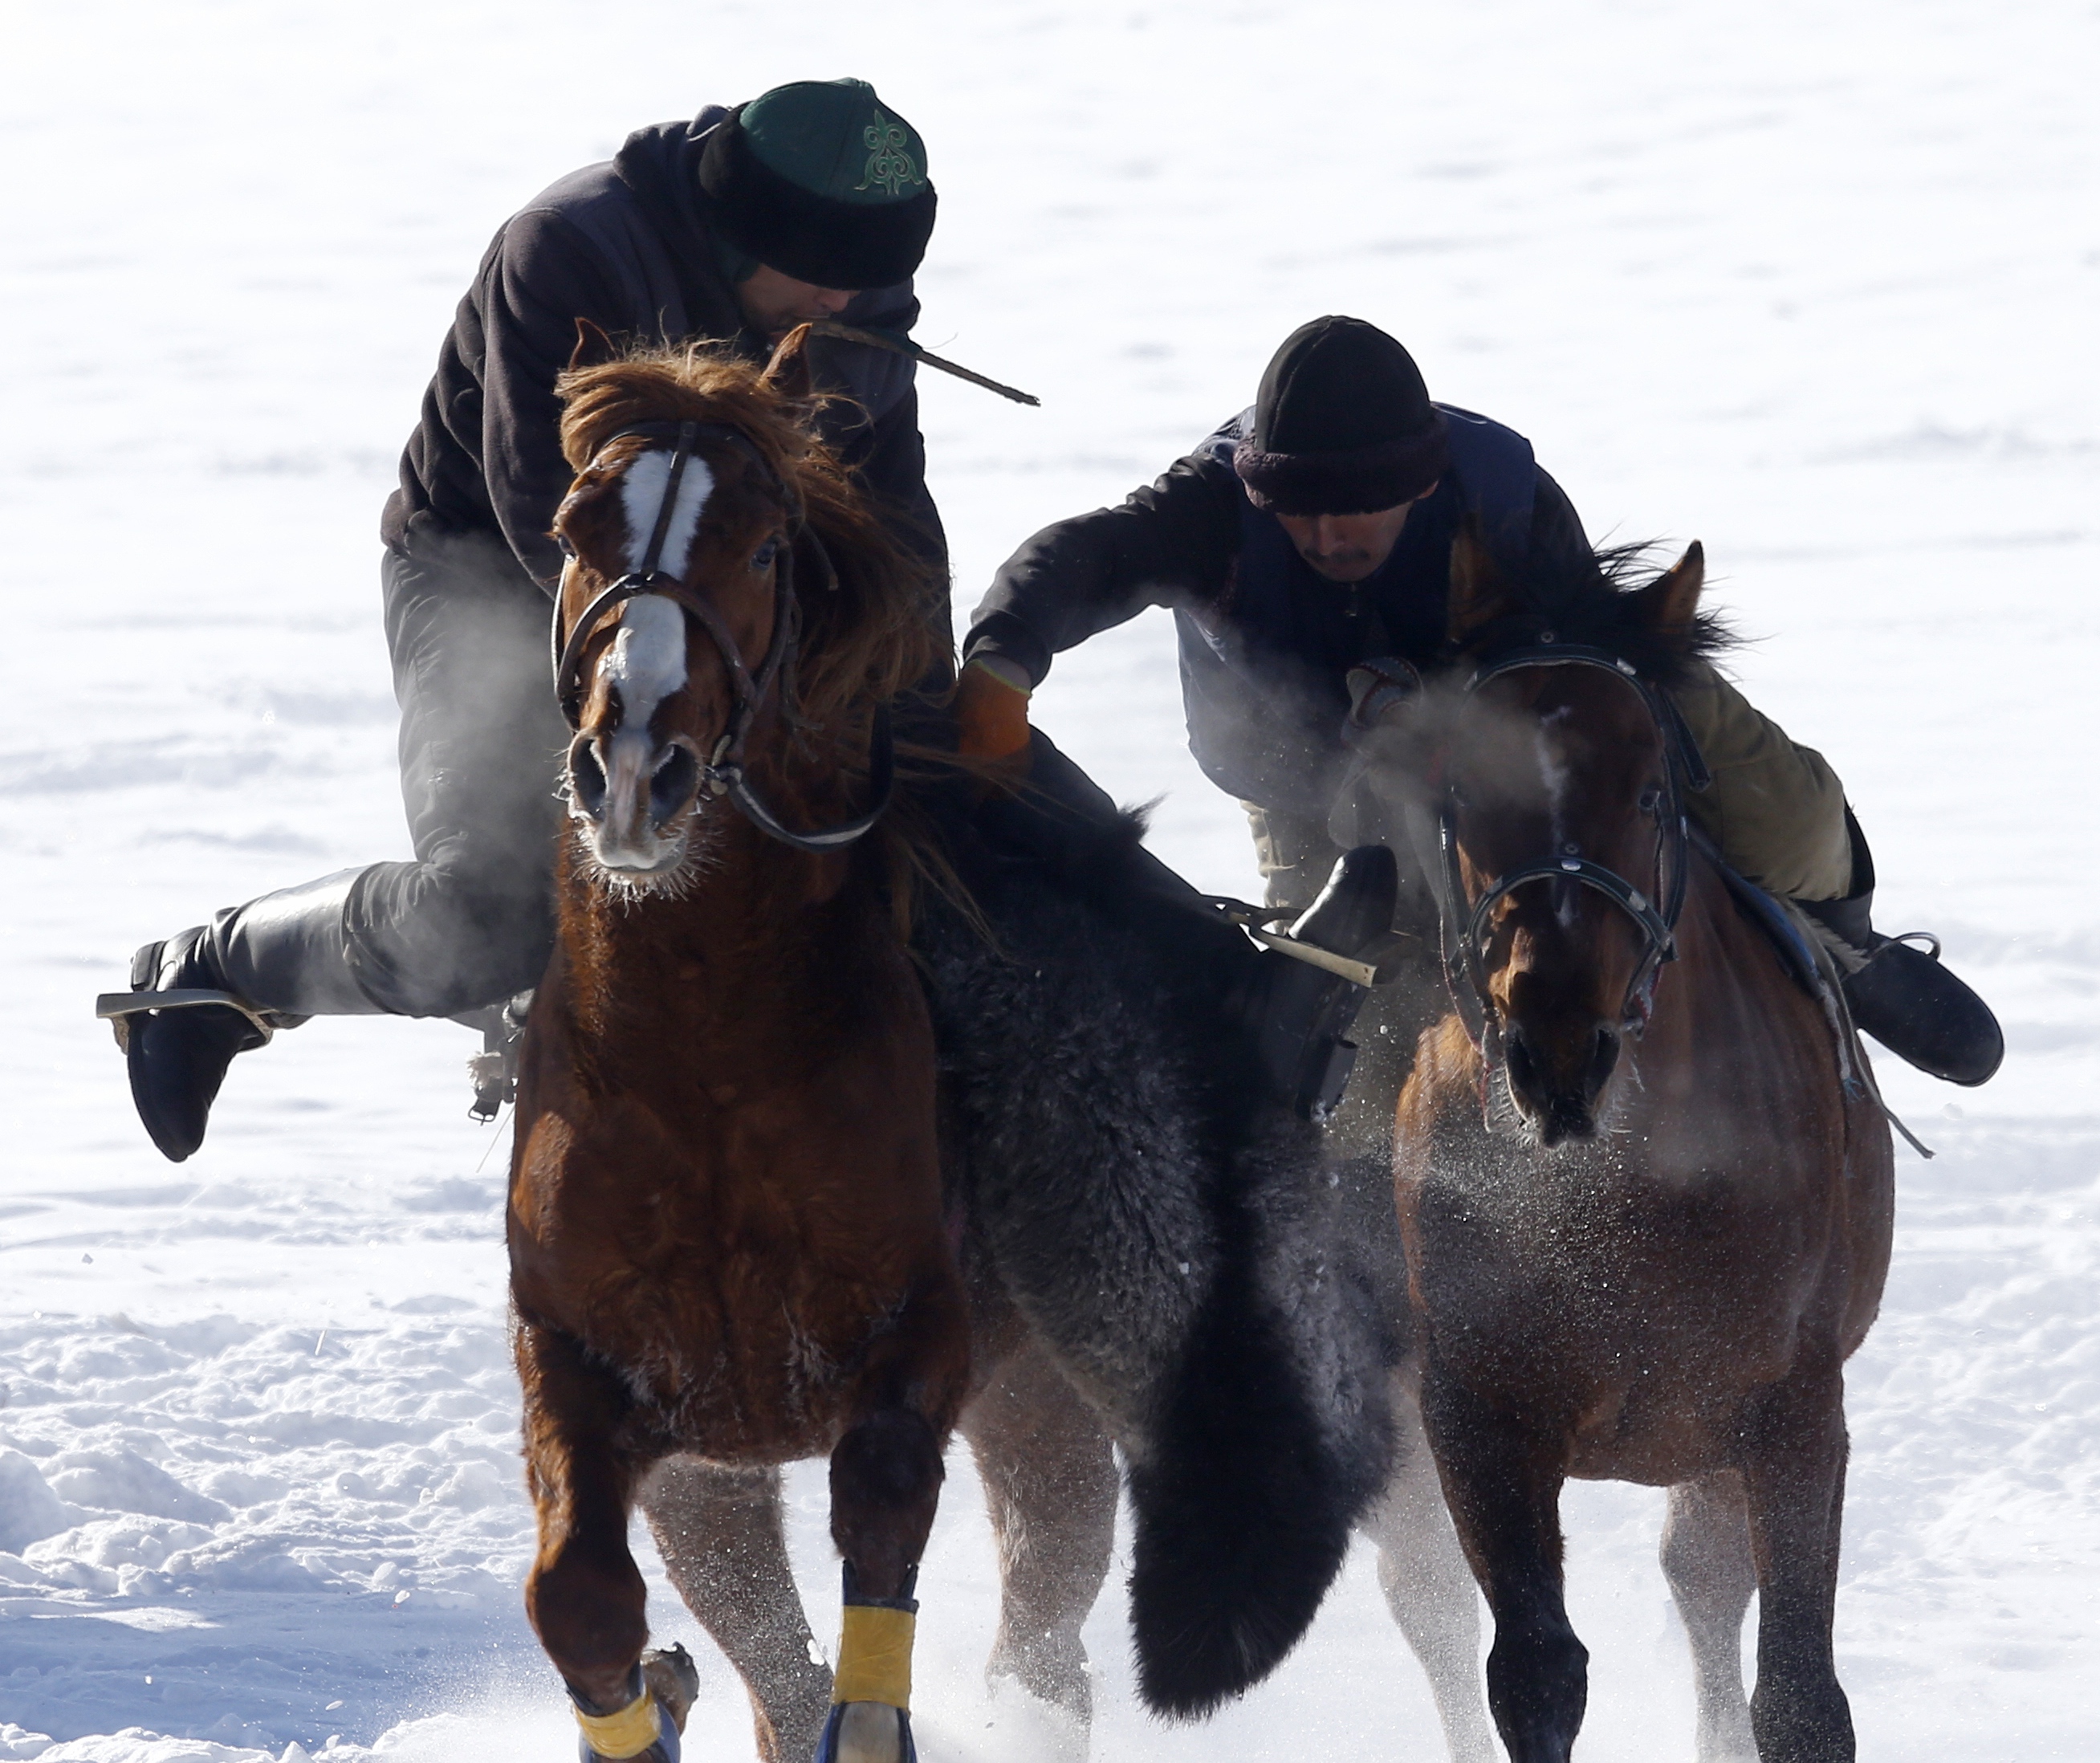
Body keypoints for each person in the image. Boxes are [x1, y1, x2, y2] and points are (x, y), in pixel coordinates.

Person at [107, 79, 950, 1162]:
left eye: (868, 281)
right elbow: (538, 506)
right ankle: (216, 974)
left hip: (743, 597)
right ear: (740, 237)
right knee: (494, 916)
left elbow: (890, 511)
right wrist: (671, 694)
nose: (844, 307)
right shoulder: (571, 245)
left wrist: (929, 701)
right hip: (503, 574)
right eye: (823, 278)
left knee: (915, 828)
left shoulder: (851, 298)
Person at [954, 315, 2003, 1087]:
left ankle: (1836, 952)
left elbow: (1583, 683)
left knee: (1791, 812)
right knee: (1329, 1005)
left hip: (1534, 716)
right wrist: (1002, 663)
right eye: (1302, 513)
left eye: (1361, 510)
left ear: (1418, 487)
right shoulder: (1208, 509)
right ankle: (1330, 1225)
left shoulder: (1507, 505)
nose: (1329, 537)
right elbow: (1078, 558)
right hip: (1311, 778)